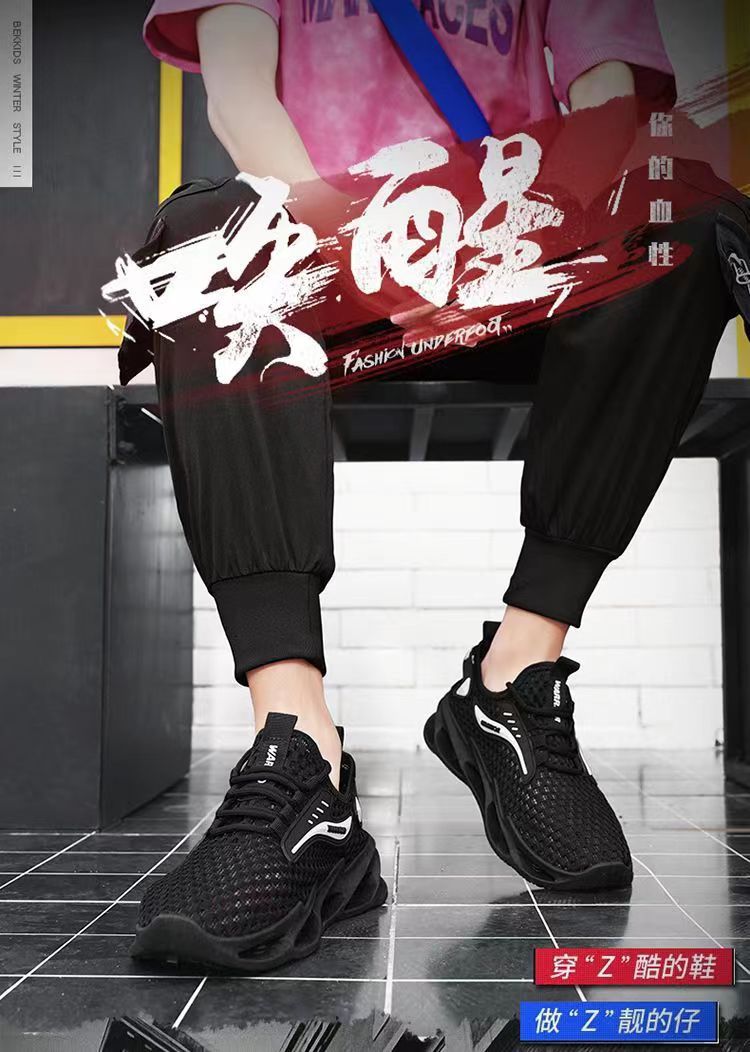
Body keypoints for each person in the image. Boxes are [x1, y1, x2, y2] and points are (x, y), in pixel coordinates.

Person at [127, 0, 750, 972]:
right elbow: (239, 96)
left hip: (514, 249)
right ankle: (300, 752)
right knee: (209, 228)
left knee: (690, 218)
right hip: (327, 251)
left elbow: (608, 99)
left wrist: (543, 231)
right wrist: (355, 238)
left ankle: (512, 680)